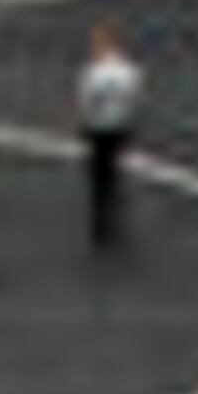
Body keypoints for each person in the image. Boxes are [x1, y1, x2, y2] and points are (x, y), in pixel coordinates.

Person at [75, 27, 143, 245]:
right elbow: (135, 99)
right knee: (114, 170)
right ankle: (113, 212)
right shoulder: (129, 71)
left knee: (98, 176)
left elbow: (86, 101)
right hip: (121, 126)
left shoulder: (92, 73)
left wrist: (84, 124)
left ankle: (101, 222)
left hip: (98, 128)